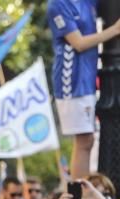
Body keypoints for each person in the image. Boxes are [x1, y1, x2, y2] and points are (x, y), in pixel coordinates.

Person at [49, 0, 120, 178]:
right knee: (83, 141)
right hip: (71, 81)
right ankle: (80, 196)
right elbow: (78, 43)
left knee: (86, 141)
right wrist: (114, 30)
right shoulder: (58, 5)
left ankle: (82, 192)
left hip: (86, 79)